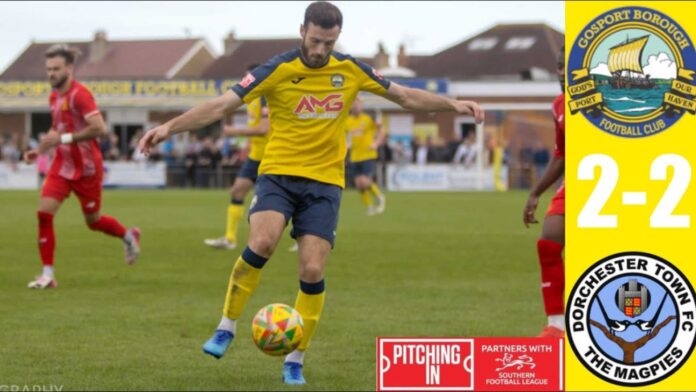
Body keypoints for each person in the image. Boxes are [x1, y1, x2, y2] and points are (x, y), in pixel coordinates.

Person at [139, 1, 483, 385]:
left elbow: (404, 96)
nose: (321, 50)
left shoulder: (350, 69)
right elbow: (222, 105)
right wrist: (169, 127)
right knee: (263, 242)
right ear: (302, 30)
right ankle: (226, 326)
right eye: (316, 40)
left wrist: (453, 104)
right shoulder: (277, 69)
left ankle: (295, 359)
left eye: (329, 43)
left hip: (324, 183)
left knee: (313, 269)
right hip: (278, 176)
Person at [23, 44, 141, 289]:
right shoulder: (54, 96)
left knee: (94, 221)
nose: (51, 74)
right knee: (43, 214)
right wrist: (40, 150)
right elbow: (58, 129)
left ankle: (128, 236)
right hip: (62, 166)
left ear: (69, 68)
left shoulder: (80, 95)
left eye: (56, 69)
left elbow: (100, 128)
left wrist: (63, 139)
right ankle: (48, 275)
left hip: (87, 169)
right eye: (48, 69)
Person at [522, 45, 565, 338]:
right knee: (549, 239)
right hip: (576, 181)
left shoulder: (611, 101)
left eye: (568, 66)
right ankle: (556, 326)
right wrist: (536, 192)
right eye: (560, 66)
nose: (562, 72)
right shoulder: (559, 105)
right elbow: (562, 153)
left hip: (620, 180)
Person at [204, 64, 271, 250]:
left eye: (248, 77)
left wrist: (233, 131)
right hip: (256, 156)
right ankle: (230, 239)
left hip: (272, 157)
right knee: (237, 191)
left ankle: (304, 235)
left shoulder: (265, 97)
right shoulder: (252, 100)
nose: (245, 81)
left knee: (278, 202)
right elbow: (256, 128)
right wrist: (247, 145)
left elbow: (264, 129)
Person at [346, 98, 386, 215]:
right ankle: (369, 206)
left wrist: (376, 143)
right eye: (354, 104)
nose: (356, 106)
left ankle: (379, 196)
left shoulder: (367, 119)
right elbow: (344, 136)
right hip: (354, 156)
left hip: (368, 154)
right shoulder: (347, 121)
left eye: (358, 104)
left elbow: (381, 131)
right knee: (359, 185)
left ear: (362, 106)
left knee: (364, 181)